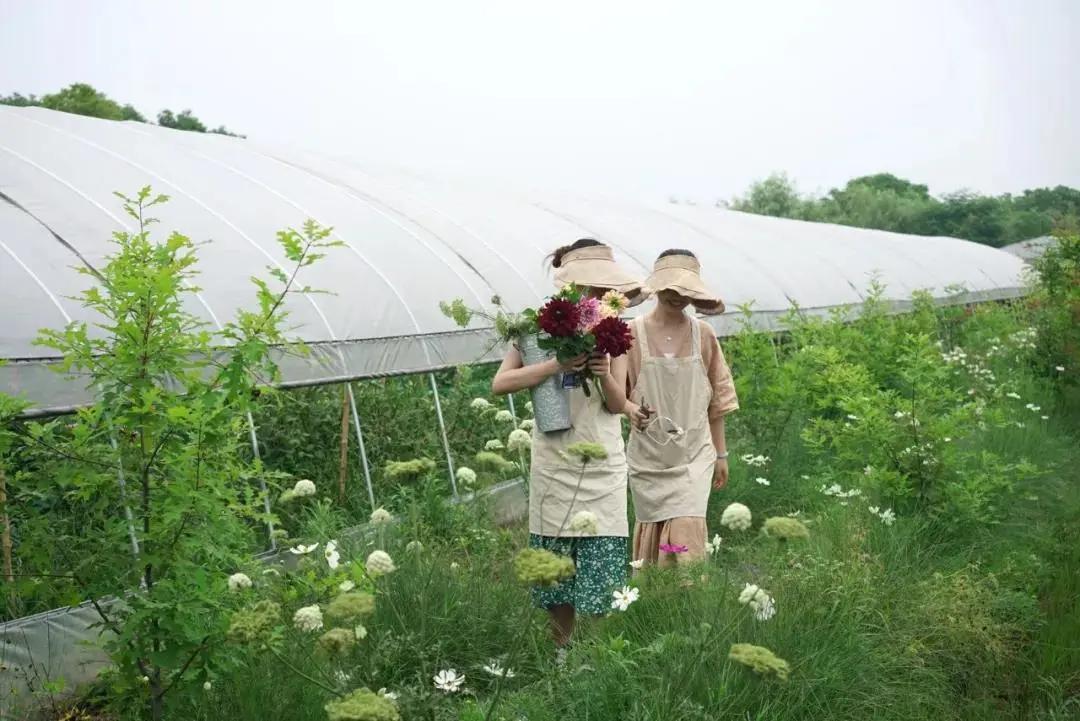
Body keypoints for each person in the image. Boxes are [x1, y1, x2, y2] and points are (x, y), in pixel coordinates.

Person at [492, 238, 643, 653]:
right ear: (570, 285)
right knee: (557, 566)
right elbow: (500, 383)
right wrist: (553, 365)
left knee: (600, 566)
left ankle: (594, 658)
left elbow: (617, 403)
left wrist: (605, 371)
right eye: (588, 286)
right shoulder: (536, 329)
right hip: (555, 459)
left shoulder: (616, 331)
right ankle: (561, 653)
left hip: (602, 461)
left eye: (601, 288)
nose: (594, 294)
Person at [623, 249, 738, 567]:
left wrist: (721, 454)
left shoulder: (704, 334)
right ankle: (660, 601)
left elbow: (717, 402)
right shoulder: (631, 333)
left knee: (685, 529)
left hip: (694, 456)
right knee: (656, 531)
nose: (676, 295)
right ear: (658, 287)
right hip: (649, 457)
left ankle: (689, 597)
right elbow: (615, 396)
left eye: (684, 289)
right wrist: (631, 408)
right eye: (670, 288)